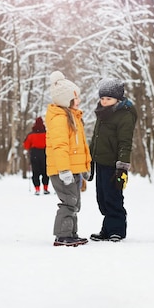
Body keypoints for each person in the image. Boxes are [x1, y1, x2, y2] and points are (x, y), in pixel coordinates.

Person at [45, 71, 91, 247]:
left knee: (75, 202)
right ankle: (63, 235)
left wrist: (84, 168)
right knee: (69, 201)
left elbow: (80, 146)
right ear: (65, 100)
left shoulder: (73, 116)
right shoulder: (59, 119)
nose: (78, 100)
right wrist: (64, 169)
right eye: (75, 98)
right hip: (61, 170)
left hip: (72, 169)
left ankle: (71, 232)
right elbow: (60, 146)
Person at [89, 77, 137, 242]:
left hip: (113, 164)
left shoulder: (124, 115)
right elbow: (95, 138)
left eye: (108, 98)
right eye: (102, 98)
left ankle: (117, 229)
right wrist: (90, 157)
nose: (104, 101)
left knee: (113, 197)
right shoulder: (102, 113)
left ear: (117, 98)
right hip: (100, 162)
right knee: (102, 198)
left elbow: (125, 142)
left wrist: (122, 167)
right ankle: (107, 229)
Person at [23, 117, 50, 195]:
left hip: (35, 154)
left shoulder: (31, 135)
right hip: (45, 153)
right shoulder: (47, 134)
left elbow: (26, 145)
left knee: (35, 172)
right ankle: (45, 188)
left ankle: (37, 189)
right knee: (45, 172)